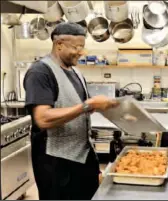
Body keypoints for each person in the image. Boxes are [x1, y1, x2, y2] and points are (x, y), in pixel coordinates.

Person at [24, 22, 118, 200]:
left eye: (83, 47)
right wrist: (87, 105)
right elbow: (42, 118)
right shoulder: (40, 72)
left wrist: (116, 110)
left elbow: (80, 108)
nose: (81, 52)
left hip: (82, 158)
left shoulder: (75, 71)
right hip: (56, 163)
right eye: (76, 47)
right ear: (59, 45)